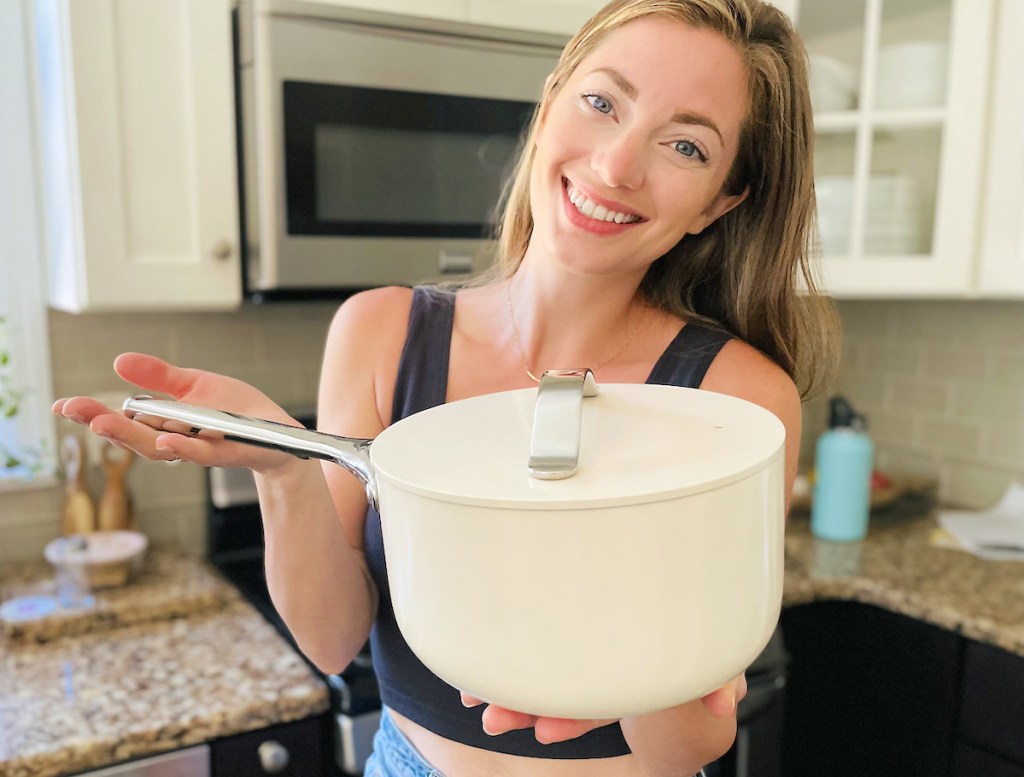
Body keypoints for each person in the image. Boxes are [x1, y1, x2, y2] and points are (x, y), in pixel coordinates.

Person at [54, 0, 838, 774]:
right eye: (601, 102)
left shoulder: (737, 405)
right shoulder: (380, 333)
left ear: (723, 200)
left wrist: (633, 670)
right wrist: (282, 465)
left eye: (686, 147)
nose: (616, 165)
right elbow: (333, 640)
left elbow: (687, 748)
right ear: (551, 99)